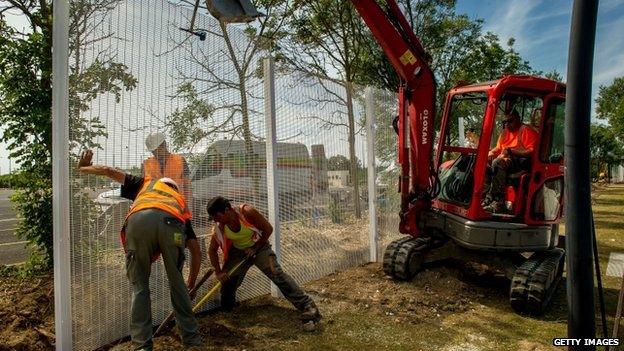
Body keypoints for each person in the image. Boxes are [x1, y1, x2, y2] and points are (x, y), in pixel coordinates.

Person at [77, 150, 202, 350]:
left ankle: (142, 346)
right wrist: (191, 284)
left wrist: (83, 167)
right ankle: (192, 341)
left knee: (140, 288)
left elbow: (109, 171)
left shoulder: (145, 184)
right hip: (172, 223)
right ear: (175, 188)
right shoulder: (178, 201)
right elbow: (196, 251)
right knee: (177, 285)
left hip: (138, 221)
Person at [206, 196, 322, 328]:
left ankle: (307, 305)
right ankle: (229, 309)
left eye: (216, 216)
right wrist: (219, 272)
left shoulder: (246, 212)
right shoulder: (219, 228)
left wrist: (255, 248)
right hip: (238, 253)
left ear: (227, 210)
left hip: (259, 247)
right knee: (228, 281)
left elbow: (268, 229)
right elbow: (212, 250)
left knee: (276, 273)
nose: (215, 220)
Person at [483, 110, 538, 213]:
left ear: (518, 119)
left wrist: (511, 152)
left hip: (520, 164)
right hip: (506, 160)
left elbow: (531, 151)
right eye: (504, 122)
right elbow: (498, 148)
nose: (507, 124)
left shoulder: (526, 131)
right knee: (482, 163)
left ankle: (498, 202)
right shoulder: (504, 132)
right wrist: (488, 154)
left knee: (497, 163)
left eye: (510, 121)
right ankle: (486, 197)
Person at [143, 132, 193, 209]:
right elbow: (142, 189)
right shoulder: (146, 165)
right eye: (153, 151)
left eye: (157, 150)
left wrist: (188, 208)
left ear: (164, 145)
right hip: (154, 207)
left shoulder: (180, 161)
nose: (155, 154)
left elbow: (187, 187)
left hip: (176, 206)